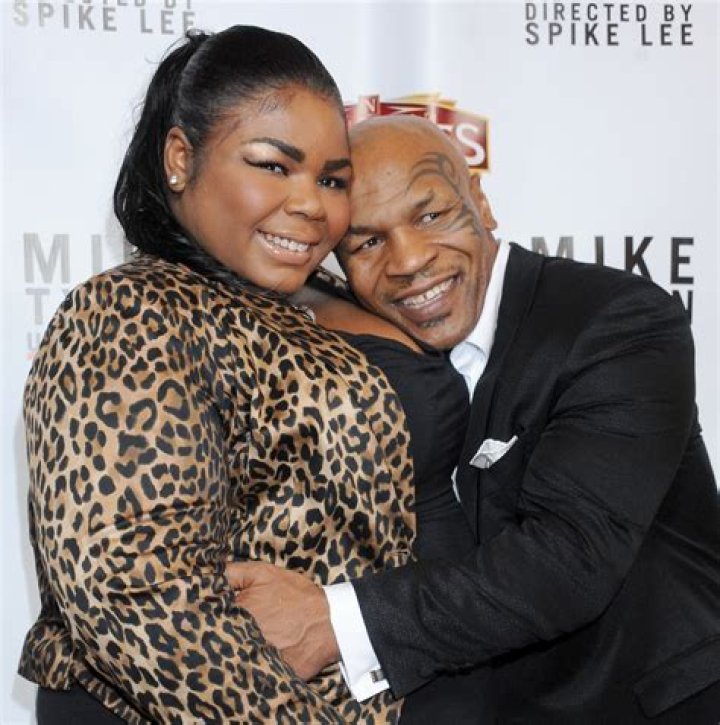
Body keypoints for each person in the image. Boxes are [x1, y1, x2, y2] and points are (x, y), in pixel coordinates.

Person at [228, 115, 720, 723]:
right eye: (367, 243)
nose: (409, 260)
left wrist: (336, 620)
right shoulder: (358, 363)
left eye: (431, 215)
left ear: (480, 203)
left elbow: (568, 561)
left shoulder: (615, 321)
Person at [19, 26, 427, 724]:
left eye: (332, 180)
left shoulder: (308, 298)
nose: (312, 204)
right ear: (181, 158)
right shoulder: (128, 314)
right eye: (273, 165)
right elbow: (141, 600)